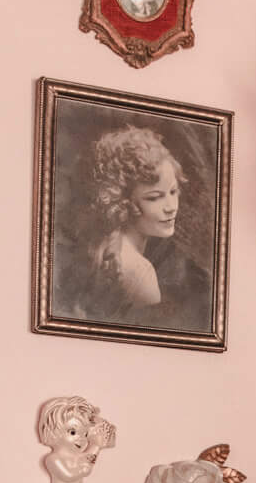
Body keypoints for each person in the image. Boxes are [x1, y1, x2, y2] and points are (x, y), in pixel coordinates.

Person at [58, 123, 211, 335]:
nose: (171, 207)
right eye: (154, 197)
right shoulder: (140, 273)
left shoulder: (104, 244)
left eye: (173, 192)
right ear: (122, 201)